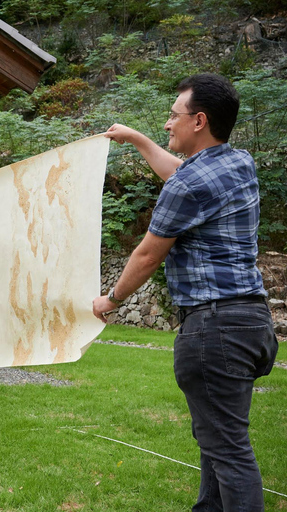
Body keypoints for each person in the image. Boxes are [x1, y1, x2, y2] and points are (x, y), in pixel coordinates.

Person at [93, 74, 278, 511]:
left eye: (173, 117)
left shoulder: (188, 187)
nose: (167, 124)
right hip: (252, 324)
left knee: (229, 452)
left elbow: (146, 256)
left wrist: (111, 300)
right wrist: (136, 138)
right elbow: (181, 174)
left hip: (214, 331)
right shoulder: (239, 164)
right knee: (219, 441)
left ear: (199, 120)